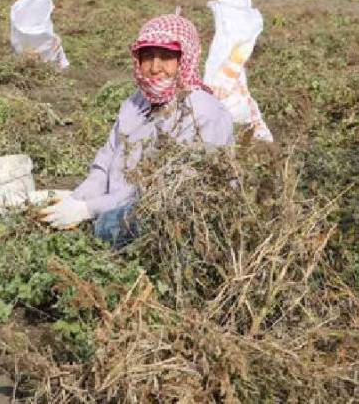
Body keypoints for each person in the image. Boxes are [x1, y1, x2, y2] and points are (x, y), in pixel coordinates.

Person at [39, 13, 234, 246]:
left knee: (112, 226)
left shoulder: (201, 112)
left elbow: (161, 190)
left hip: (175, 214)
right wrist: (78, 197)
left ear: (185, 59)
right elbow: (105, 160)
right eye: (147, 56)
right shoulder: (136, 102)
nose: (154, 67)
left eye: (166, 57)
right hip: (118, 201)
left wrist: (88, 209)